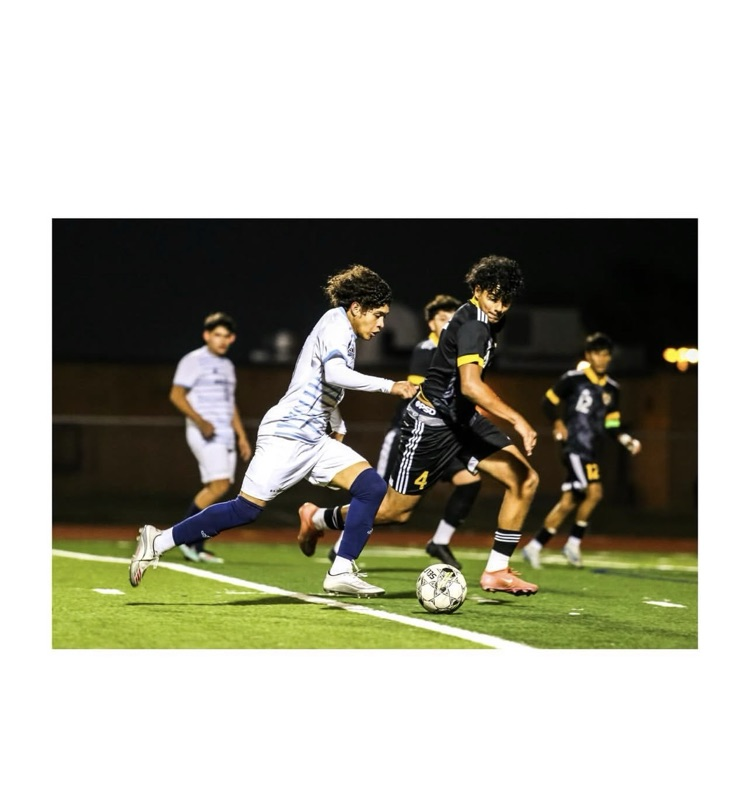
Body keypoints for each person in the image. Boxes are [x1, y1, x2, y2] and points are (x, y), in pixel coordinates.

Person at [128, 265, 417, 596]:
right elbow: (335, 374)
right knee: (245, 510)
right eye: (378, 315)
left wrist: (337, 422)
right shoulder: (336, 325)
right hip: (287, 434)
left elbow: (322, 381)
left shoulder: (344, 330)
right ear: (356, 307)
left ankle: (340, 570)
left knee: (371, 488)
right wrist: (390, 385)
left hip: (314, 439)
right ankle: (158, 541)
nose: (381, 324)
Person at [298, 254, 541, 596]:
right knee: (394, 512)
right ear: (477, 290)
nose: (499, 307)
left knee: (524, 479)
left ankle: (497, 571)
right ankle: (317, 518)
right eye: (493, 297)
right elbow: (471, 386)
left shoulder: (485, 319)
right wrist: (518, 420)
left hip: (462, 420)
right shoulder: (474, 324)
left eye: (506, 300)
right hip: (432, 424)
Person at [321, 293, 481, 571]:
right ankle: (339, 545)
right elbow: (421, 392)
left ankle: (440, 541)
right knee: (378, 496)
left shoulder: (458, 352)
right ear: (431, 323)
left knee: (470, 481)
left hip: (444, 436)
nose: (448, 324)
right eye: (442, 319)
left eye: (453, 319)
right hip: (409, 435)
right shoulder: (427, 350)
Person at [521, 332, 642, 569]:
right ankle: (573, 543)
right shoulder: (573, 379)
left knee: (573, 500)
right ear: (588, 355)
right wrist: (557, 422)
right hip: (573, 446)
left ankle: (535, 546)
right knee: (591, 490)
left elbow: (612, 424)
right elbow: (547, 402)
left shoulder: (613, 388)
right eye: (597, 354)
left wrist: (625, 439)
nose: (602, 359)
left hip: (591, 450)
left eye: (605, 354)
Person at [169, 312, 252, 564]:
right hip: (204, 432)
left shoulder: (228, 366)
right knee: (219, 484)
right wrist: (200, 421)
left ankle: (196, 544)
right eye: (217, 335)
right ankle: (186, 539)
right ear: (206, 335)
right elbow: (176, 395)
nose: (222, 340)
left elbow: (230, 403)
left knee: (218, 488)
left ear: (232, 338)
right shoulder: (193, 360)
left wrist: (241, 436)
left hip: (225, 434)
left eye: (226, 336)